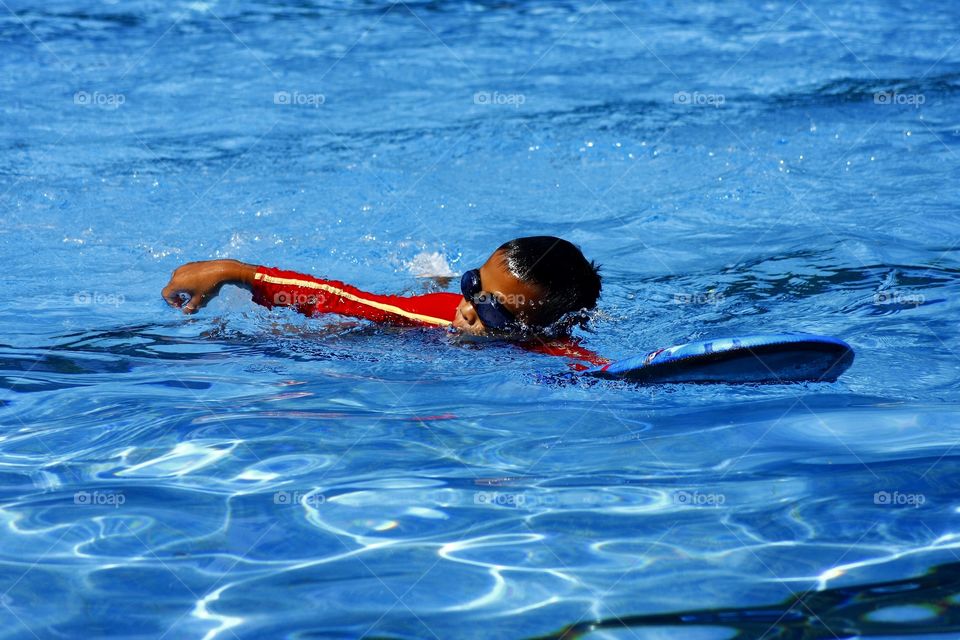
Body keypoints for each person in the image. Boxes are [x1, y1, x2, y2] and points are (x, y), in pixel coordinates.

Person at [161, 236, 607, 367]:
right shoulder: (438, 312)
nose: (467, 308)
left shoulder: (550, 348)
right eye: (473, 285)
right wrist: (239, 272)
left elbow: (600, 370)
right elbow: (343, 299)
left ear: (540, 326)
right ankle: (439, 274)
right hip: (411, 329)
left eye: (493, 310)